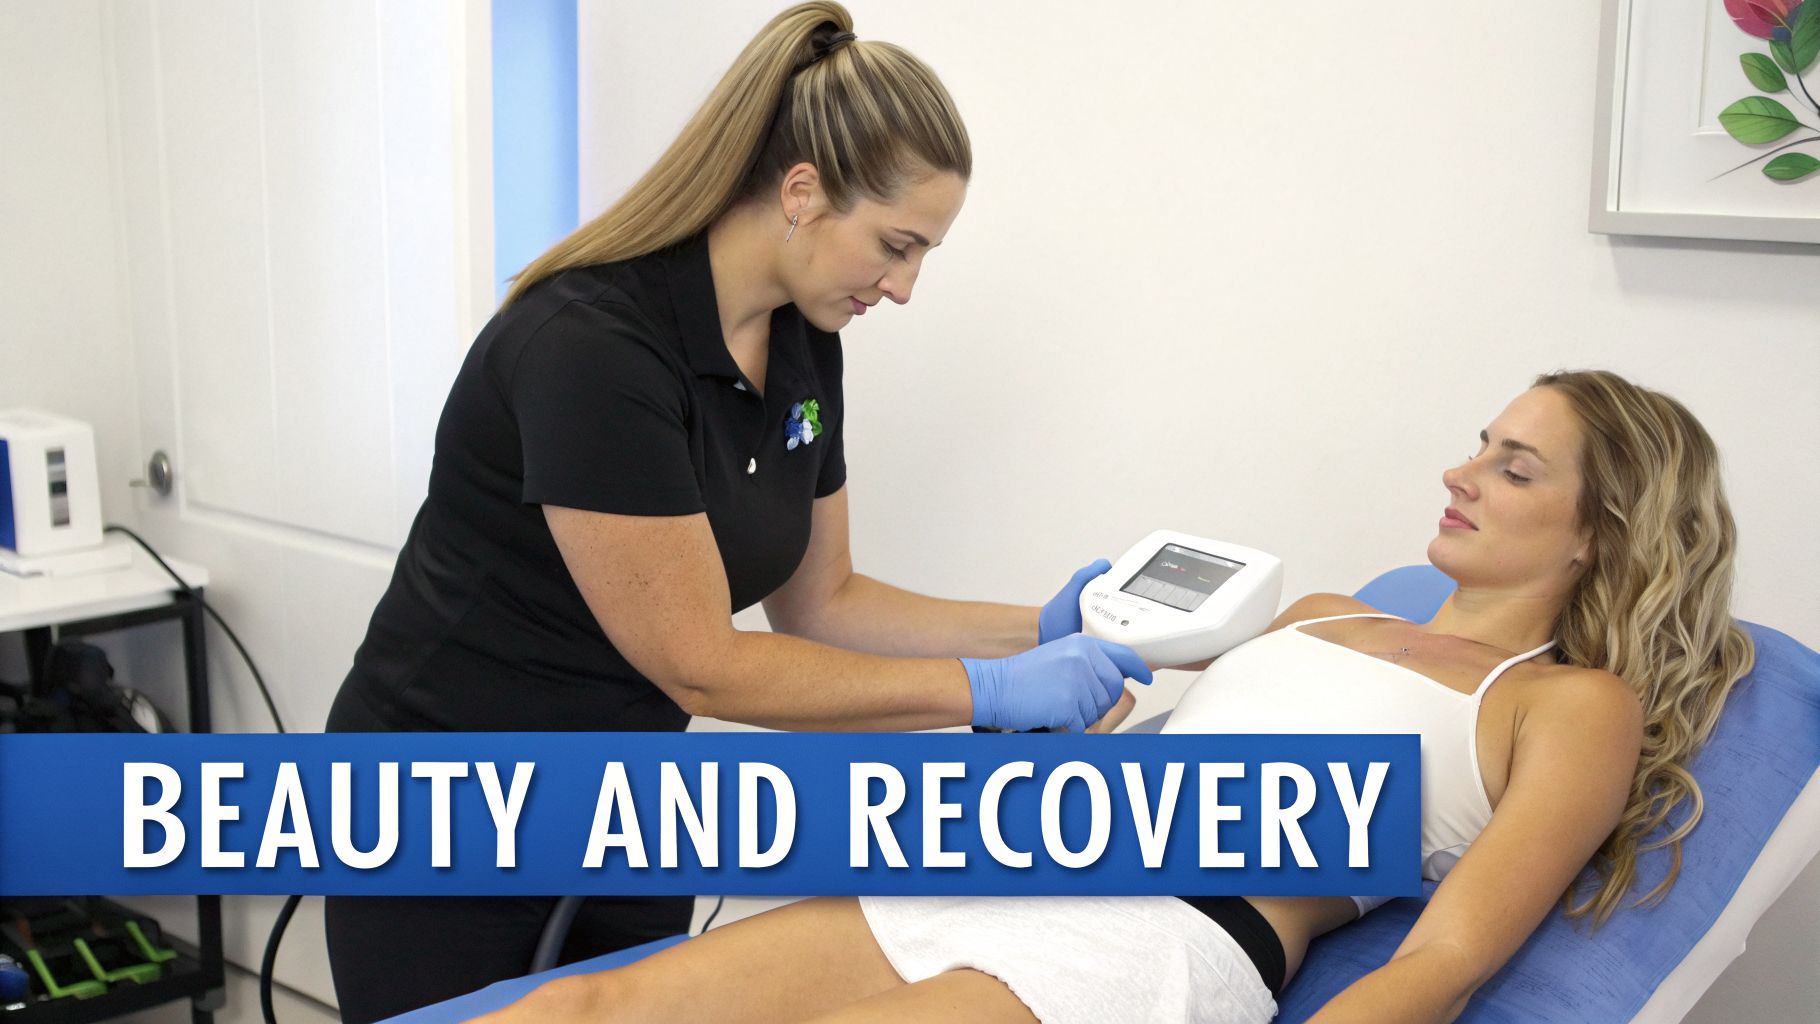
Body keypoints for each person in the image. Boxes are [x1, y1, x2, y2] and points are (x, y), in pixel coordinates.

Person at [320, 5, 1154, 1021]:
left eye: (924, 254)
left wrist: (1043, 628)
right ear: (801, 191)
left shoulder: (804, 348)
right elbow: (701, 661)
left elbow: (824, 602)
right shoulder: (592, 349)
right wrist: (984, 691)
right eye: (895, 246)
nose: (903, 288)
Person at [474, 369, 1756, 1023]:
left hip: (1162, 936)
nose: (1459, 470)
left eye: (1511, 465)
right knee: (591, 1003)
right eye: (1480, 442)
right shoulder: (1319, 610)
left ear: (1597, 531)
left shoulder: (1568, 703)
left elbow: (1446, 958)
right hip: (1030, 860)